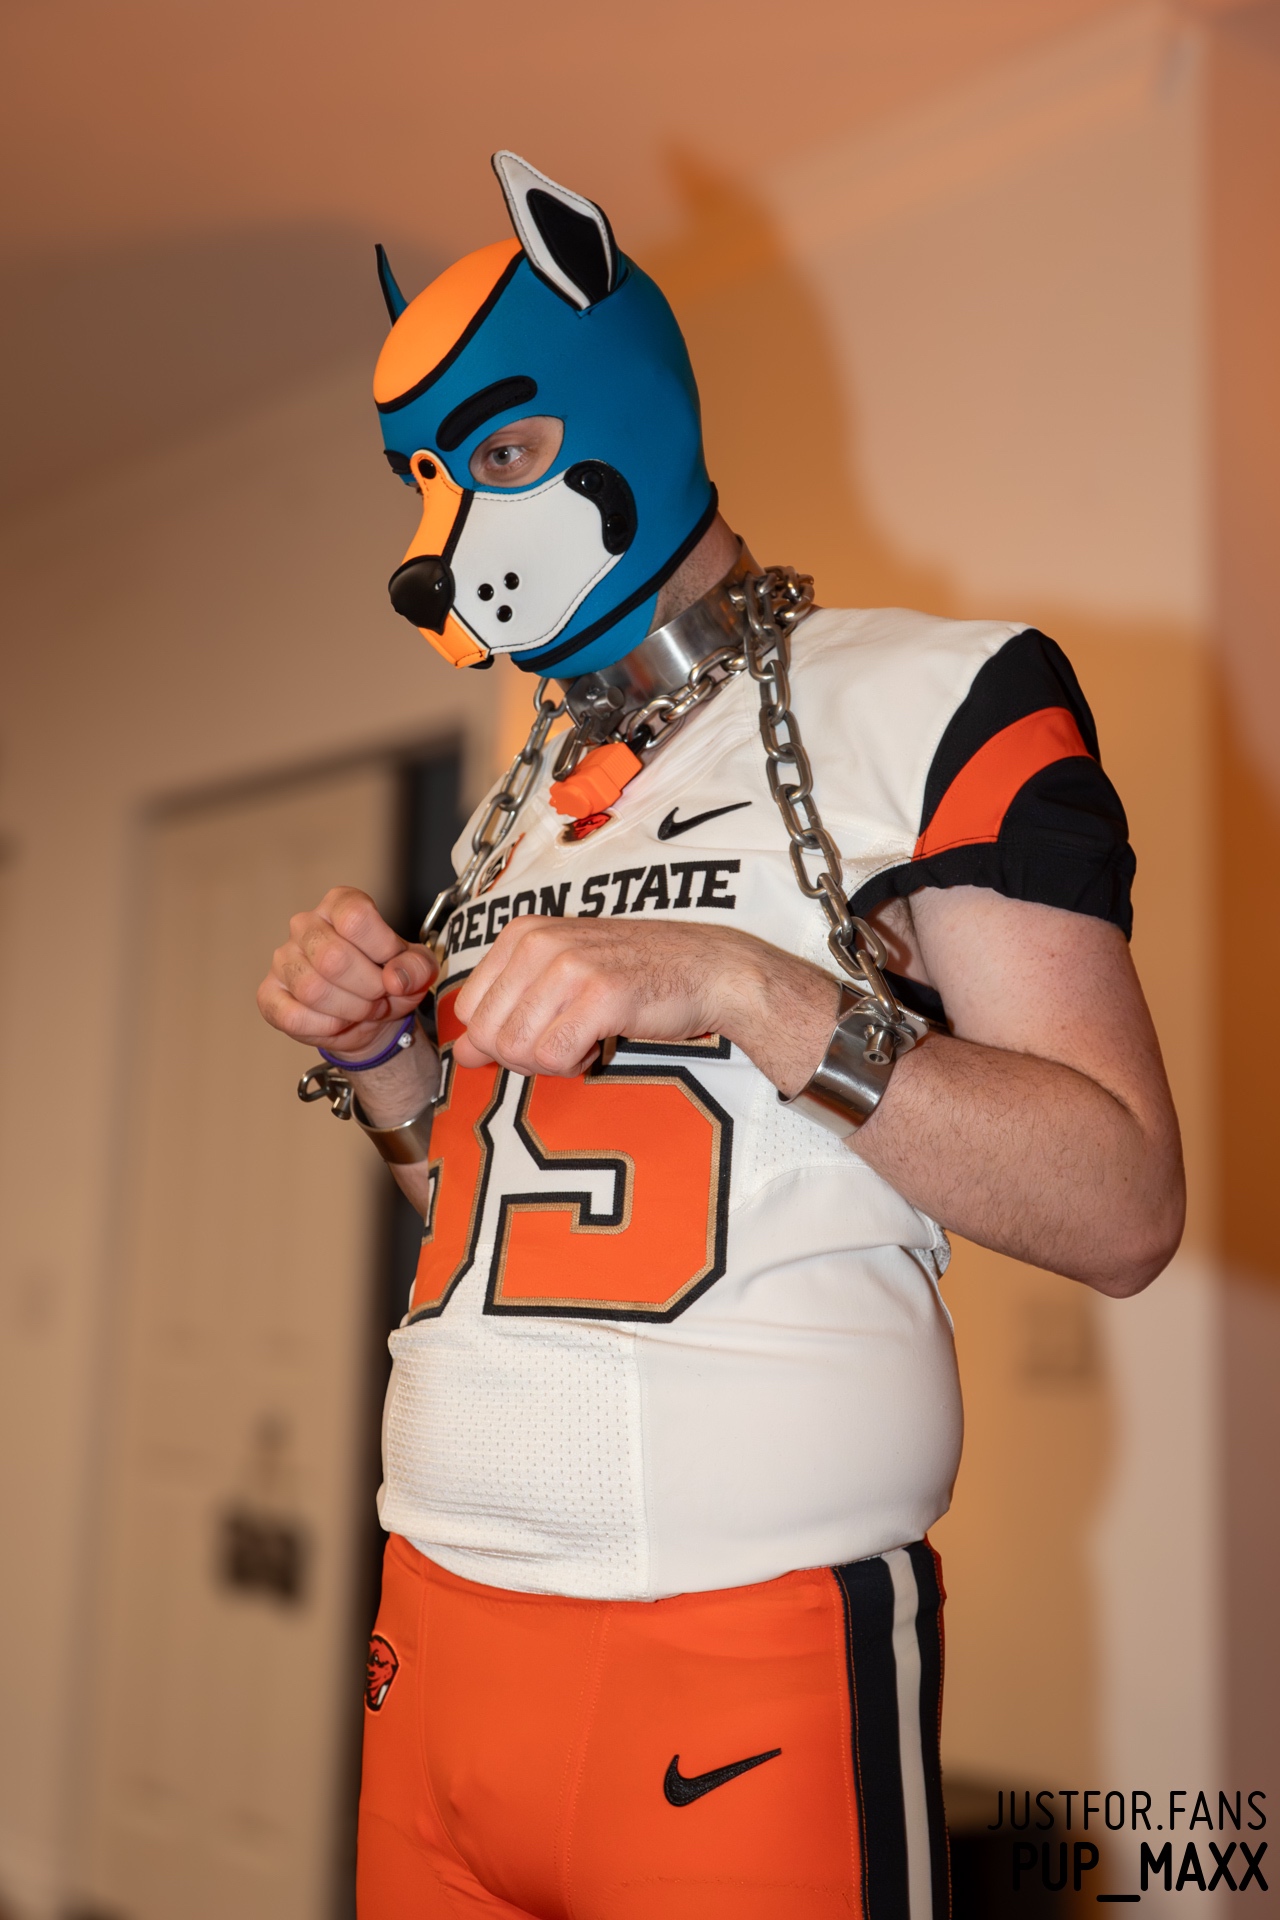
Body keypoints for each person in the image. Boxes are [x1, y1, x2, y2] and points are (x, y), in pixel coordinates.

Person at [257, 151, 1183, 1920]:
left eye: (501, 454)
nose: (449, 531)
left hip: (732, 1662)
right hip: (430, 1637)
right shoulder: (519, 806)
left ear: (625, 398)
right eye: (425, 481)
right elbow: (502, 1224)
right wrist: (386, 1068)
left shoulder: (934, 696)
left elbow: (1125, 1204)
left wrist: (748, 984)